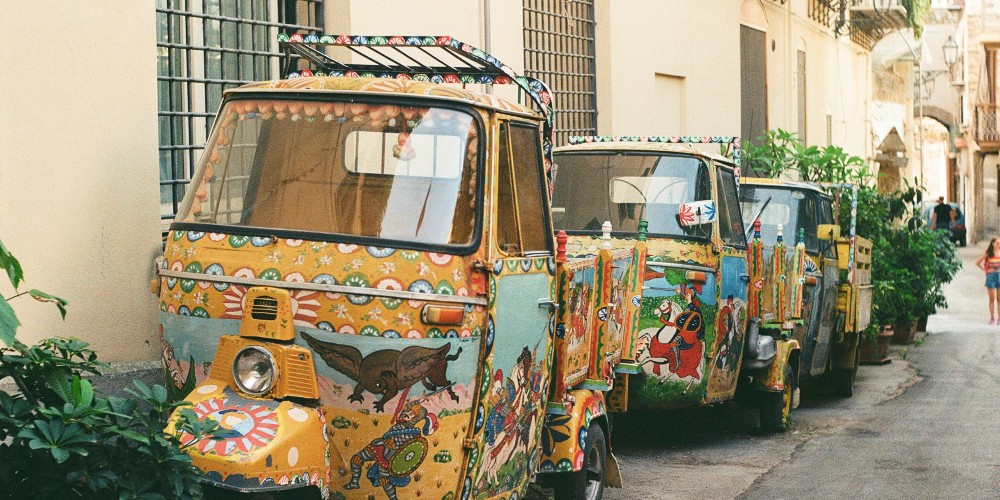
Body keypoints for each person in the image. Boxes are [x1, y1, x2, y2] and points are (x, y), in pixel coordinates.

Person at [974, 237, 1000, 324]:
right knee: (992, 298)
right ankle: (992, 318)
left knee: (999, 299)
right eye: (997, 243)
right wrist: (985, 270)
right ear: (993, 243)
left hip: (999, 275)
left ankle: (999, 318)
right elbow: (977, 262)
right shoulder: (988, 253)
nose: (999, 245)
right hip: (991, 276)